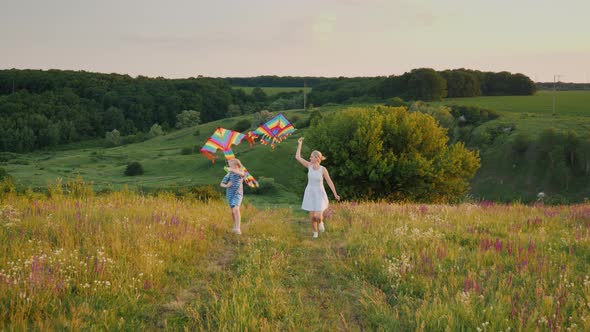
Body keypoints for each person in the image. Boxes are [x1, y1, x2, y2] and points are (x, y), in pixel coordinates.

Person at [295, 137, 340, 238]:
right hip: (310, 192)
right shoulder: (309, 166)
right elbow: (298, 157)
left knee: (319, 216)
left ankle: (321, 222)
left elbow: (329, 181)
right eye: (310, 157)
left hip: (319, 193)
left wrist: (335, 193)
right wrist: (300, 144)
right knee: (312, 216)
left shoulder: (323, 169)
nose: (310, 158)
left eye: (312, 157)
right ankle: (315, 232)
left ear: (317, 158)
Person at [220, 158, 245, 234]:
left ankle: (238, 228)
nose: (229, 166)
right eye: (229, 165)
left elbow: (242, 174)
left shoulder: (240, 172)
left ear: (236, 165)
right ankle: (235, 226)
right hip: (230, 194)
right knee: (233, 212)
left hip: (238, 194)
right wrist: (227, 185)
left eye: (231, 165)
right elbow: (221, 184)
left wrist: (231, 170)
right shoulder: (228, 174)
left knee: (236, 209)